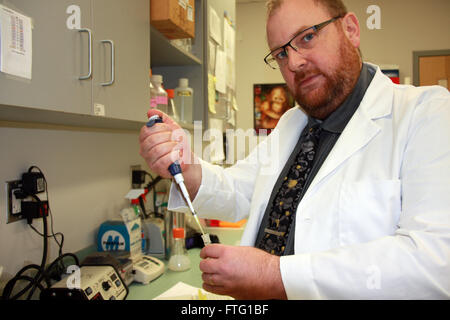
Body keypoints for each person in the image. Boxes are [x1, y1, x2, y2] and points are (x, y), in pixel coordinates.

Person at [139, 0, 450, 299]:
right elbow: (241, 190)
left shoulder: (425, 114)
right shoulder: (292, 122)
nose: (295, 62)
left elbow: (435, 264)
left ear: (351, 29)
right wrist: (187, 166)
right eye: (280, 54)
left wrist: (276, 276)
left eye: (308, 36)